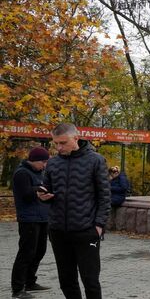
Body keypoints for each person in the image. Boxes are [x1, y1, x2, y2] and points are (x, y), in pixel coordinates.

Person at [37, 123, 111, 299]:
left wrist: (99, 225)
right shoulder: (53, 163)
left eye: (63, 142)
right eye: (56, 143)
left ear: (76, 138)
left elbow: (104, 196)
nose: (59, 147)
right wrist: (41, 196)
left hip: (86, 230)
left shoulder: (96, 160)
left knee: (90, 280)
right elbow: (46, 189)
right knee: (66, 280)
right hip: (58, 230)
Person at [11, 147, 52, 299]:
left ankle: (30, 281)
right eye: (43, 162)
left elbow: (42, 190)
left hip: (42, 217)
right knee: (26, 252)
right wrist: (38, 190)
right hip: (28, 219)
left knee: (39, 251)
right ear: (34, 160)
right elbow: (26, 195)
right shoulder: (22, 173)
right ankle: (17, 289)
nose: (45, 165)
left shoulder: (40, 172)